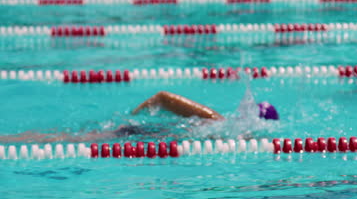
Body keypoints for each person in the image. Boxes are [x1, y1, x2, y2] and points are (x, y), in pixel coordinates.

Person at [0, 91, 279, 143]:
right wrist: (134, 116)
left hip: (144, 134)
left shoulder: (226, 129)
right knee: (66, 140)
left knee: (69, 139)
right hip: (137, 133)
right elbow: (162, 96)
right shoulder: (219, 122)